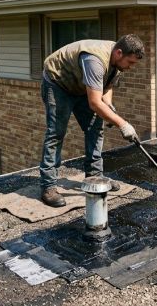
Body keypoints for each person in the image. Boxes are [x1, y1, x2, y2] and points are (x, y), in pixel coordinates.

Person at [38, 34, 145, 207]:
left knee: (96, 128)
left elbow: (107, 85)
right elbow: (94, 103)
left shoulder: (117, 60)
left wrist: (108, 105)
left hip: (82, 86)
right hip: (58, 83)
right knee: (56, 133)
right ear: (119, 53)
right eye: (131, 62)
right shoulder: (95, 60)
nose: (132, 67)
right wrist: (123, 124)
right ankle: (48, 187)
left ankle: (95, 176)